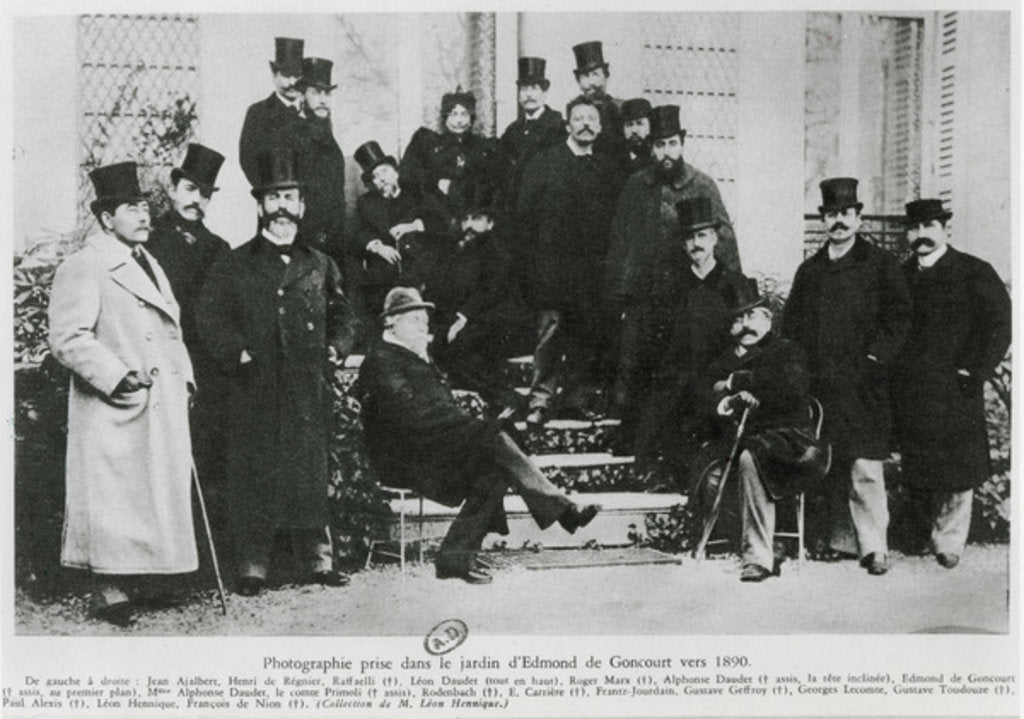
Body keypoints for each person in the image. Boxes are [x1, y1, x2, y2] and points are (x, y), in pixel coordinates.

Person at [195, 148, 359, 596]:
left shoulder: (321, 263)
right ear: (261, 207)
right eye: (274, 198)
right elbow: (208, 315)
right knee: (255, 474)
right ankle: (253, 566)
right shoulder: (235, 262)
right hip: (255, 387)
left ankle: (318, 560)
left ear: (303, 208)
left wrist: (335, 348)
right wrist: (238, 355)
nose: (283, 207)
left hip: (307, 386)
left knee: (308, 472)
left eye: (290, 198)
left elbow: (344, 315)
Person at [356, 287, 601, 584]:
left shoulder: (415, 356)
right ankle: (563, 510)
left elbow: (435, 417)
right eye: (414, 320)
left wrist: (472, 428)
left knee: (494, 468)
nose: (423, 326)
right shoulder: (381, 360)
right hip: (405, 459)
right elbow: (412, 417)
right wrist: (472, 428)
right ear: (390, 323)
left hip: (434, 447)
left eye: (425, 321)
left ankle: (454, 559)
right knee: (492, 437)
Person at [48, 161, 196, 626]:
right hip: (115, 403)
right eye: (132, 208)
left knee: (150, 492)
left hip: (160, 398)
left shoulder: (149, 263)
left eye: (146, 206)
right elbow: (68, 337)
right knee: (114, 495)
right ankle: (107, 588)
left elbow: (171, 331)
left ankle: (146, 580)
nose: (145, 215)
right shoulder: (85, 265)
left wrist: (185, 378)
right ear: (107, 218)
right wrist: (117, 377)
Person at [781, 177, 911, 576]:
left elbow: (899, 318)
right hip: (821, 385)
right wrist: (800, 373)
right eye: (831, 214)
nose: (838, 221)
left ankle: (874, 548)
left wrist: (875, 359)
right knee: (827, 462)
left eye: (846, 214)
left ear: (859, 217)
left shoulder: (881, 265)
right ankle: (837, 541)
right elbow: (792, 330)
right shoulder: (810, 271)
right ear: (823, 219)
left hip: (865, 382)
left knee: (865, 466)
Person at [890, 198, 1011, 568]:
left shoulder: (973, 271)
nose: (921, 235)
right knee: (917, 458)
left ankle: (950, 542)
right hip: (912, 385)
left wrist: (975, 369)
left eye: (929, 227)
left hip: (956, 384)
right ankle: (916, 534)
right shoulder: (901, 275)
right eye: (915, 228)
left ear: (945, 229)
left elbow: (1000, 324)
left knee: (959, 465)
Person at [696, 295, 830, 582]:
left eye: (753, 316)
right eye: (738, 319)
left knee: (751, 458)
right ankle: (763, 543)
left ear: (768, 321)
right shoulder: (720, 360)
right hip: (733, 441)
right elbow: (704, 401)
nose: (745, 325)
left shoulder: (787, 351)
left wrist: (736, 382)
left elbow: (790, 386)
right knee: (711, 477)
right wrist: (728, 402)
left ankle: (758, 558)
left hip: (787, 437)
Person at [620, 196, 751, 479]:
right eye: (690, 237)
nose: (696, 244)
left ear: (715, 237)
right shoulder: (668, 288)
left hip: (720, 389)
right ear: (682, 244)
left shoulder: (735, 286)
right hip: (675, 392)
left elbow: (749, 344)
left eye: (702, 235)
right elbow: (652, 347)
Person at [517, 96, 624, 426]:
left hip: (590, 274)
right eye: (579, 118)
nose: (586, 124)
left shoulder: (607, 170)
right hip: (552, 270)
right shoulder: (545, 163)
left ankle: (575, 399)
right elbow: (525, 218)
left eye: (592, 118)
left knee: (584, 337)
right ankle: (540, 400)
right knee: (550, 335)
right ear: (567, 124)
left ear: (602, 127)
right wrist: (535, 267)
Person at [146, 143, 231, 547]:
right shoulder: (147, 242)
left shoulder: (219, 249)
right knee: (159, 461)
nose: (198, 200)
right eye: (192, 189)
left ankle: (200, 554)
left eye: (207, 193)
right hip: (158, 363)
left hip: (207, 369)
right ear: (175, 187)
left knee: (206, 457)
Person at [606, 103, 741, 313]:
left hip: (688, 298)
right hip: (641, 298)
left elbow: (725, 243)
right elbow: (619, 242)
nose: (666, 152)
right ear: (651, 148)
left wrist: (734, 298)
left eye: (672, 144)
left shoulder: (702, 185)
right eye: (660, 145)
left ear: (682, 144)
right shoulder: (635, 185)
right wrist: (619, 296)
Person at [429, 186, 525, 414]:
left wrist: (462, 318)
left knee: (459, 348)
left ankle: (510, 399)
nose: (470, 225)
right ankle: (496, 401)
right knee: (439, 348)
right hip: (468, 318)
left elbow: (491, 291)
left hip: (500, 317)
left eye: (477, 219)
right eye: (466, 219)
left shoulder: (498, 253)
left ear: (490, 223)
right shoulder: (458, 252)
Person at [350, 140, 451, 322]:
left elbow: (443, 223)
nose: (382, 178)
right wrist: (377, 246)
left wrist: (413, 226)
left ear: (395, 173)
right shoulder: (367, 203)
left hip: (422, 271)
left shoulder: (418, 194)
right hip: (386, 276)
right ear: (373, 183)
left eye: (385, 171)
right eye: (375, 176)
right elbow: (357, 231)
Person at [400, 88, 501, 226]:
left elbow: (491, 185)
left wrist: (457, 189)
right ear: (445, 118)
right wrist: (435, 182)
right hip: (436, 218)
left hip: (473, 219)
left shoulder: (484, 147)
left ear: (471, 118)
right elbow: (409, 177)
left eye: (464, 114)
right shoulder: (429, 144)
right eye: (453, 114)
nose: (459, 120)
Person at [296, 56, 347, 266]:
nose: (323, 99)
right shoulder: (294, 135)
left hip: (333, 237)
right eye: (316, 92)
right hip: (305, 237)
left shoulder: (329, 138)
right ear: (302, 95)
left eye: (327, 93)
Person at [238, 37, 308, 189]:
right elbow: (247, 159)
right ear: (274, 75)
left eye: (297, 76)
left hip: (310, 205)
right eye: (286, 75)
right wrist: (268, 193)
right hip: (273, 200)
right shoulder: (257, 113)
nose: (292, 83)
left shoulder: (312, 114)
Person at [569, 41, 628, 169]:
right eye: (585, 76)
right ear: (578, 81)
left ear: (606, 76)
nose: (591, 82)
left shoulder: (620, 108)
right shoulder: (573, 109)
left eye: (596, 75)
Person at [620, 98, 653, 175]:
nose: (634, 130)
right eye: (629, 125)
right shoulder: (616, 162)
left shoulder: (657, 159)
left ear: (650, 126)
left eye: (639, 123)